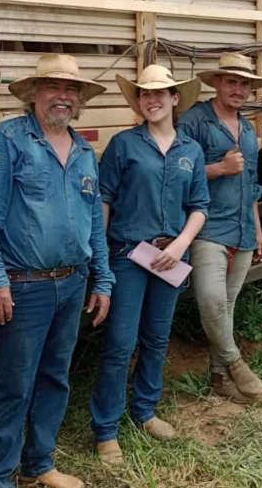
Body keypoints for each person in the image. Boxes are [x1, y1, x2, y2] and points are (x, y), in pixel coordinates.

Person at [0, 54, 114, 488]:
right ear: (34, 93)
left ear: (80, 101)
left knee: (55, 377)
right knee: (15, 386)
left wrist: (103, 278)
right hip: (24, 287)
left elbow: (95, 222)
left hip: (72, 283)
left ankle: (39, 464)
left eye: (71, 90)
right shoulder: (7, 141)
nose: (63, 96)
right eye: (53, 86)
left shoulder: (85, 151)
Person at [90, 65, 210, 465]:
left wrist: (179, 246)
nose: (153, 99)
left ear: (176, 99)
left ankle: (144, 411)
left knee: (157, 338)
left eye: (161, 93)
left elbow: (199, 207)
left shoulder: (190, 150)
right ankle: (106, 429)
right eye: (145, 94)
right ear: (139, 101)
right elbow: (103, 201)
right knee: (120, 343)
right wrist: (99, 259)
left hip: (170, 257)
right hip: (128, 254)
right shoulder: (123, 145)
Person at [178, 54, 262, 403]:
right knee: (212, 300)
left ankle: (219, 377)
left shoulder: (248, 128)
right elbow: (175, 172)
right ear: (216, 83)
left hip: (244, 229)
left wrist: (259, 230)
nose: (239, 89)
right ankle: (234, 362)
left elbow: (251, 183)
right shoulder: (195, 121)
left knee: (228, 305)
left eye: (245, 84)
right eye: (231, 81)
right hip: (207, 227)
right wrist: (218, 168)